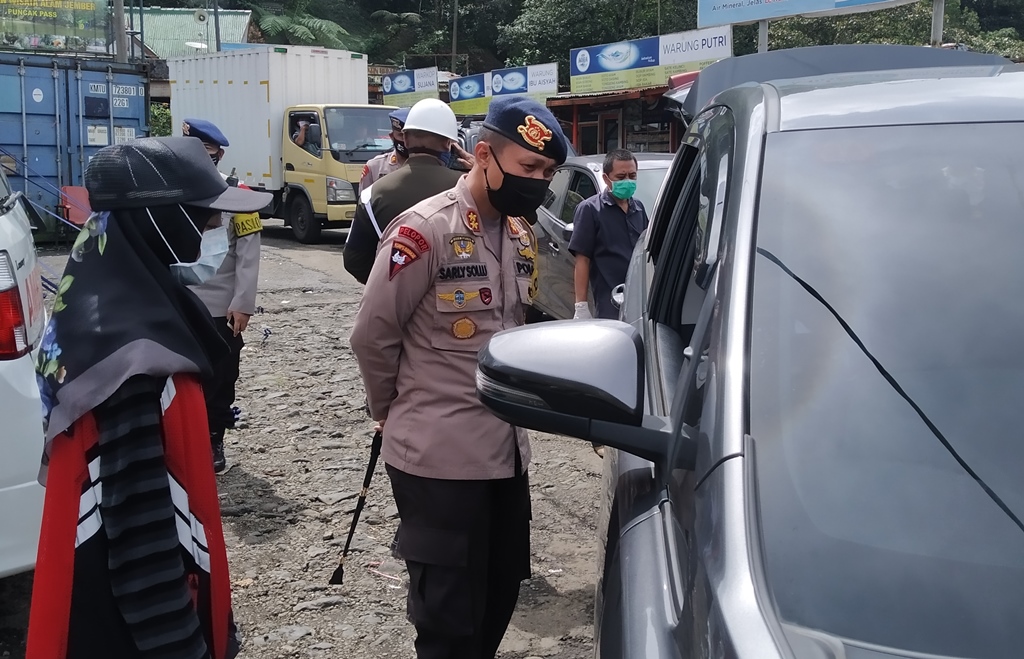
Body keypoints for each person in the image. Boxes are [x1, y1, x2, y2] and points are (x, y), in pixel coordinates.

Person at [26, 137, 271, 659]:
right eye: (202, 215)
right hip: (134, 627)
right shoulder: (134, 357)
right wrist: (184, 645)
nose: (211, 228)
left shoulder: (95, 303)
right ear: (159, 221)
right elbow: (139, 541)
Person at [349, 96, 568, 659]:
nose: (538, 183)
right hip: (438, 456)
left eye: (547, 173)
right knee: (448, 617)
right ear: (482, 156)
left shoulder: (521, 234)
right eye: (528, 169)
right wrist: (387, 409)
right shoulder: (425, 230)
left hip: (505, 451)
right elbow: (373, 334)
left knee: (498, 594)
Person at [181, 118, 263, 473]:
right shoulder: (171, 192)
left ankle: (214, 438)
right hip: (180, 304)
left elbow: (248, 254)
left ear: (218, 153)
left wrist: (243, 304)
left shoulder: (238, 196)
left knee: (220, 377)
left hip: (220, 308)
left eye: (205, 152)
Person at [344, 98, 464, 285]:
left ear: (406, 140)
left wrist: (390, 283)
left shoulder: (371, 195)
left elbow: (354, 261)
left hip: (395, 298)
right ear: (448, 143)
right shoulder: (468, 188)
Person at [569, 148, 650, 320]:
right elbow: (582, 259)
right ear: (606, 179)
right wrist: (581, 306)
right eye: (621, 177)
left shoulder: (639, 208)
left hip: (641, 298)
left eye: (632, 176)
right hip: (610, 303)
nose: (628, 181)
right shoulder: (590, 210)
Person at [358, 108, 410, 194]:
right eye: (401, 135)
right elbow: (364, 203)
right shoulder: (375, 167)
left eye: (408, 136)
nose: (405, 140)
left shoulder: (428, 165)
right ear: (392, 136)